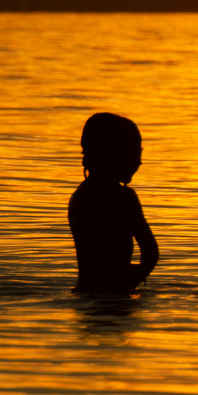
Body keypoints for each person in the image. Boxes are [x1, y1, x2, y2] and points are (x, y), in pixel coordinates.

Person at [69, 112, 159, 294]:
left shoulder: (79, 196)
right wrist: (132, 280)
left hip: (83, 295)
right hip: (116, 299)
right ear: (116, 156)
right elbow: (150, 253)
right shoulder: (123, 197)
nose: (140, 162)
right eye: (135, 153)